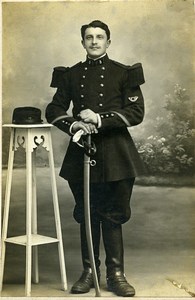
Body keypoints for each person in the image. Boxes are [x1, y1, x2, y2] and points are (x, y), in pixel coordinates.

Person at [45, 20, 145, 297]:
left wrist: (100, 119)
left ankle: (116, 276)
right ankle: (89, 273)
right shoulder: (70, 75)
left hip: (116, 154)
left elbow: (136, 113)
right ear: (83, 42)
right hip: (81, 154)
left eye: (100, 37)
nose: (94, 41)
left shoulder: (124, 73)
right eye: (89, 37)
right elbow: (53, 109)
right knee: (87, 214)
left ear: (108, 42)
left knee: (112, 214)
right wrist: (74, 124)